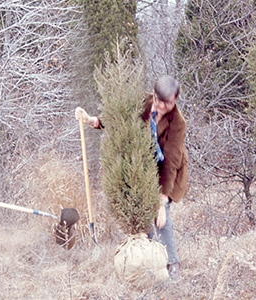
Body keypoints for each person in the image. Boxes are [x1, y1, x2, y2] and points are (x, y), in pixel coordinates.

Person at [75, 75, 188, 279]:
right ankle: (152, 261)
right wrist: (93, 121)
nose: (163, 107)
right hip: (141, 164)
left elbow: (171, 163)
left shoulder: (178, 123)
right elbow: (119, 117)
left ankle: (172, 265)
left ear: (175, 101)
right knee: (145, 216)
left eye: (169, 103)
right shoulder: (142, 104)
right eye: (159, 101)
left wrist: (162, 202)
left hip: (166, 171)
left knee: (162, 219)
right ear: (154, 95)